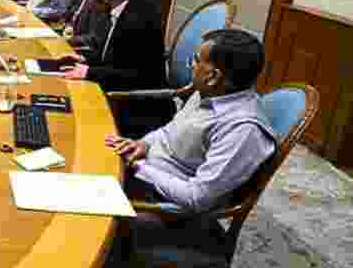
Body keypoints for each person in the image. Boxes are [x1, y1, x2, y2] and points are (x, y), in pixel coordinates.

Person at [106, 28, 277, 213]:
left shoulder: (242, 130)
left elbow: (197, 197)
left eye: (196, 60)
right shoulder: (211, 91)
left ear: (213, 76)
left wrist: (138, 167)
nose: (191, 66)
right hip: (145, 171)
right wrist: (144, 144)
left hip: (162, 207)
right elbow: (169, 132)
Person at [60, 0, 170, 138]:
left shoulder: (138, 20)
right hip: (119, 90)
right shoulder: (125, 6)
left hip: (136, 108)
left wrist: (89, 72)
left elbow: (133, 76)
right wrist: (85, 59)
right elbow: (112, 55)